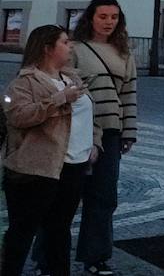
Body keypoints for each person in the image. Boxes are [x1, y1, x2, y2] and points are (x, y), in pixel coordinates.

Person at [3, 25, 95, 276]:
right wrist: (59, 99)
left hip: (73, 166)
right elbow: (18, 116)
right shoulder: (24, 82)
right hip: (37, 169)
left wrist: (93, 142)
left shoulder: (72, 78)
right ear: (47, 48)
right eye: (65, 42)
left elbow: (86, 114)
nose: (71, 46)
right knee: (22, 231)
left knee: (59, 230)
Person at [62, 0, 137, 276]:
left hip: (110, 132)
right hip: (77, 132)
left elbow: (129, 95)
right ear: (91, 18)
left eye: (114, 17)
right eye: (103, 16)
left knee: (104, 197)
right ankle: (48, 257)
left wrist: (128, 130)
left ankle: (96, 257)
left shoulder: (125, 53)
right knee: (66, 197)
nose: (109, 22)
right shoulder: (75, 49)